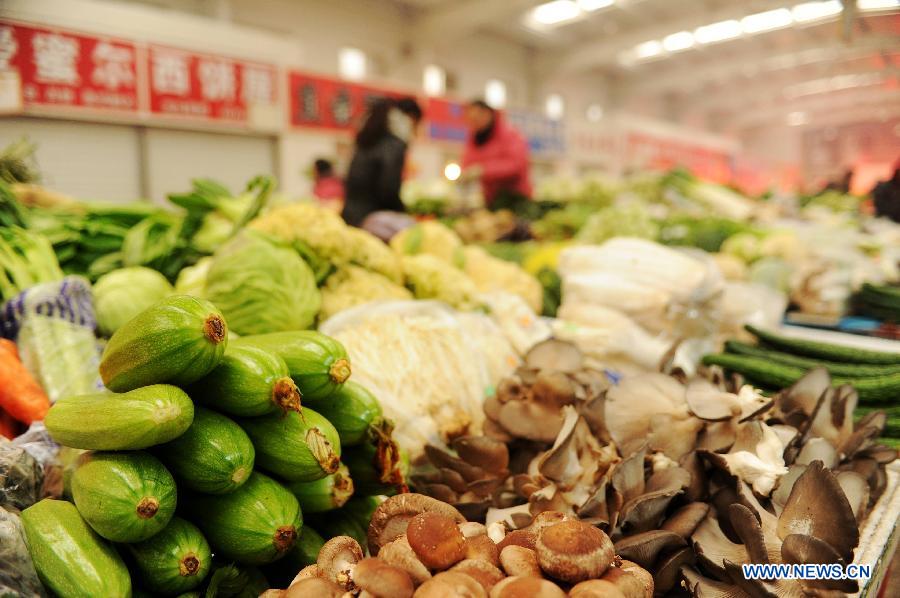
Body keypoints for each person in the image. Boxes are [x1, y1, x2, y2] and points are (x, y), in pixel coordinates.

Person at [342, 97, 423, 227]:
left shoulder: (368, 138)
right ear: (411, 117)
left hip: (350, 216)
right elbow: (388, 189)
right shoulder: (394, 144)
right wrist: (403, 211)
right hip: (372, 220)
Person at [460, 99, 532, 208]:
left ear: (488, 114)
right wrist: (465, 174)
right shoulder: (474, 138)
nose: (474, 123)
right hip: (490, 199)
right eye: (471, 120)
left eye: (476, 118)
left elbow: (516, 164)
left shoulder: (510, 134)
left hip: (516, 199)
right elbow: (467, 162)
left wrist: (484, 170)